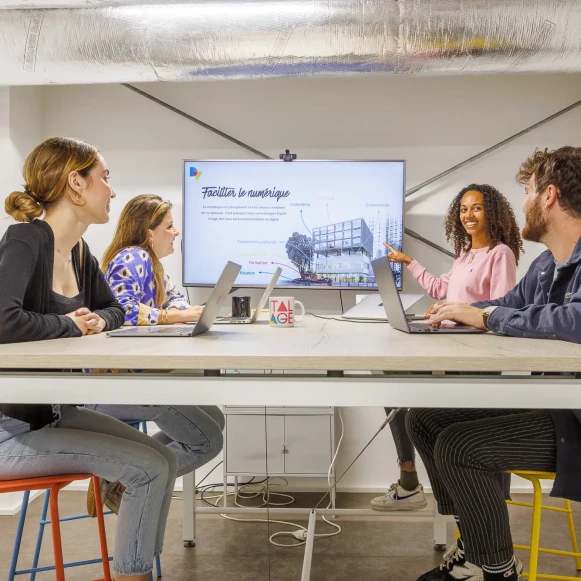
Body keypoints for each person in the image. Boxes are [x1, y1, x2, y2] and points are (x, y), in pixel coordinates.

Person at [0, 137, 177, 581]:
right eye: (105, 178)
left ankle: (137, 571)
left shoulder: (79, 252)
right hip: (10, 430)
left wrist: (96, 320)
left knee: (164, 460)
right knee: (148, 468)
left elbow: (114, 309)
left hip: (54, 414)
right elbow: (3, 322)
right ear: (75, 184)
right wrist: (73, 325)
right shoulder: (26, 239)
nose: (112, 191)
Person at [409, 146, 581, 581]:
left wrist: (483, 315)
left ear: (549, 196)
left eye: (526, 191)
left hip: (573, 419)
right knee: (424, 419)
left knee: (459, 447)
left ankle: (499, 571)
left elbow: (575, 319)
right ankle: (475, 547)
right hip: (547, 400)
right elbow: (506, 305)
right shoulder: (546, 265)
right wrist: (455, 309)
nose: (522, 201)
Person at [372, 185, 522, 511]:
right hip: (452, 345)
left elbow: (503, 308)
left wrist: (455, 311)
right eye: (464, 209)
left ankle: (419, 485)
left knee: (400, 386)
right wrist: (411, 264)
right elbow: (442, 288)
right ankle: (410, 476)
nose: (468, 215)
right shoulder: (465, 255)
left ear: (492, 213)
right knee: (388, 377)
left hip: (476, 356)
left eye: (477, 208)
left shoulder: (501, 254)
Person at [87, 194, 224, 485]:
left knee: (212, 416)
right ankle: (125, 478)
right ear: (150, 231)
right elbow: (121, 309)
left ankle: (123, 472)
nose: (176, 233)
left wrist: (196, 312)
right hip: (114, 382)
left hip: (141, 375)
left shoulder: (156, 266)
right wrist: (173, 317)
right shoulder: (132, 257)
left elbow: (176, 303)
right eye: (170, 226)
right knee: (207, 436)